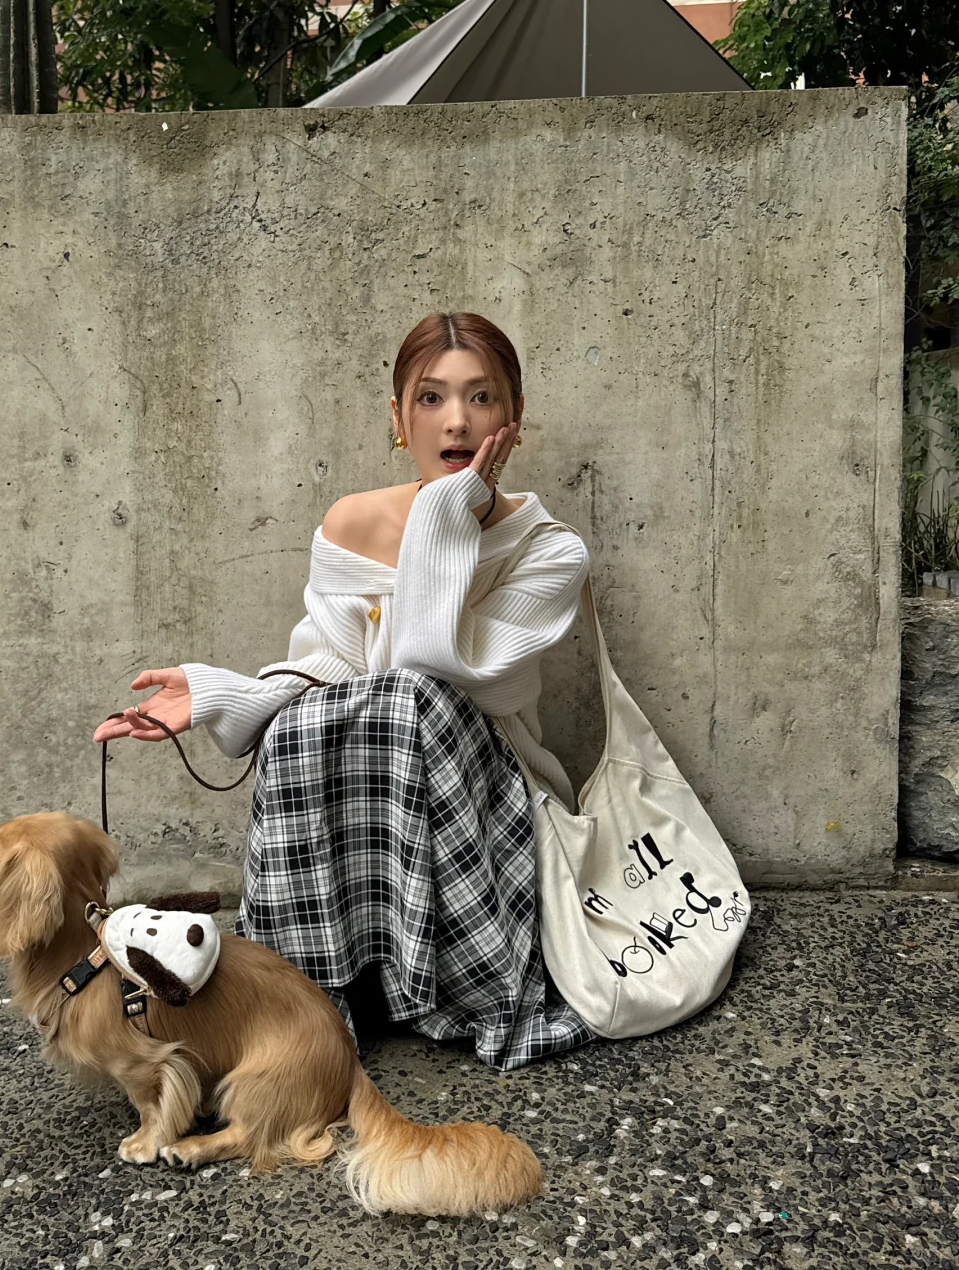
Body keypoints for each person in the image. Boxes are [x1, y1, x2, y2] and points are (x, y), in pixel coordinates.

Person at [94, 312, 595, 1070]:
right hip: (374, 779)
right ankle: (307, 1006)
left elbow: (440, 671)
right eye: (430, 398)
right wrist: (223, 695)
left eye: (481, 397)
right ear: (399, 418)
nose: (456, 421)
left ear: (513, 419)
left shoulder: (550, 549)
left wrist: (444, 510)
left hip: (485, 796)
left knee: (410, 701)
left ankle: (456, 980)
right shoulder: (351, 523)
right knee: (303, 724)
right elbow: (332, 666)